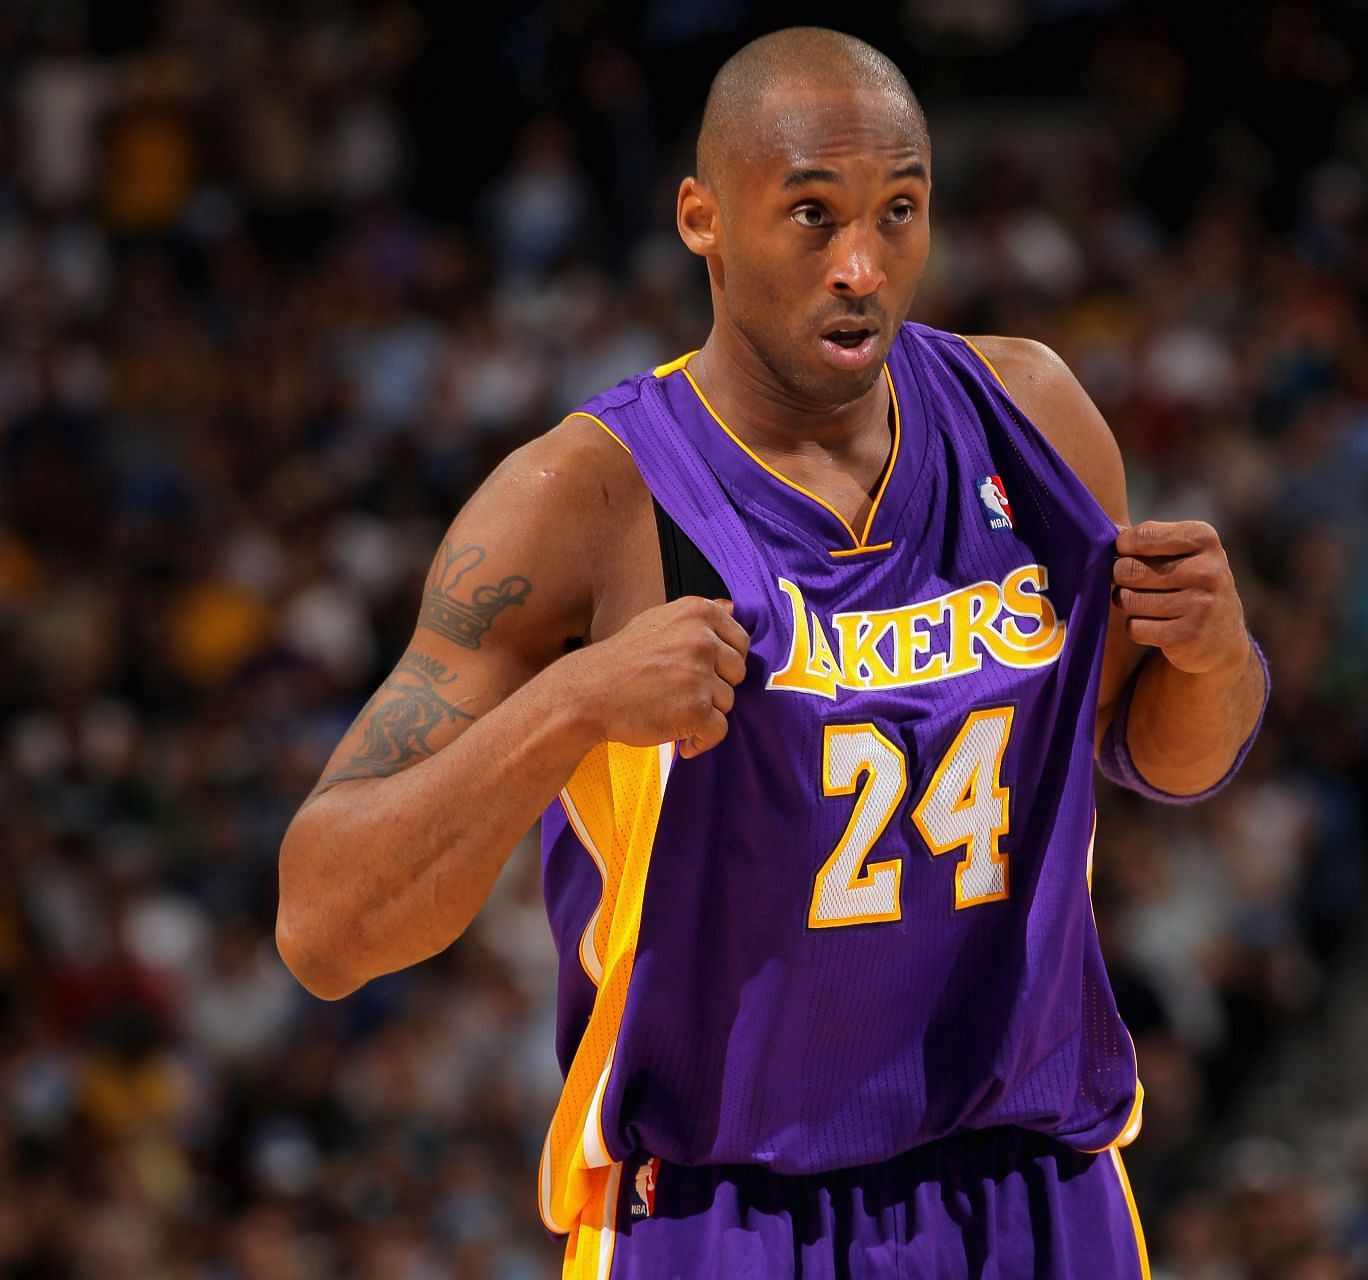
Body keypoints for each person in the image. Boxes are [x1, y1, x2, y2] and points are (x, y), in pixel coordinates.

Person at [276, 27, 1267, 1278]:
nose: (862, 264)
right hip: (726, 1211)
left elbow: (1167, 758)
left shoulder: (1037, 417)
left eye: (898, 212)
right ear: (702, 217)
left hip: (1031, 1179)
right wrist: (572, 702)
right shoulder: (584, 497)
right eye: (811, 214)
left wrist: (1219, 660)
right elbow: (323, 925)